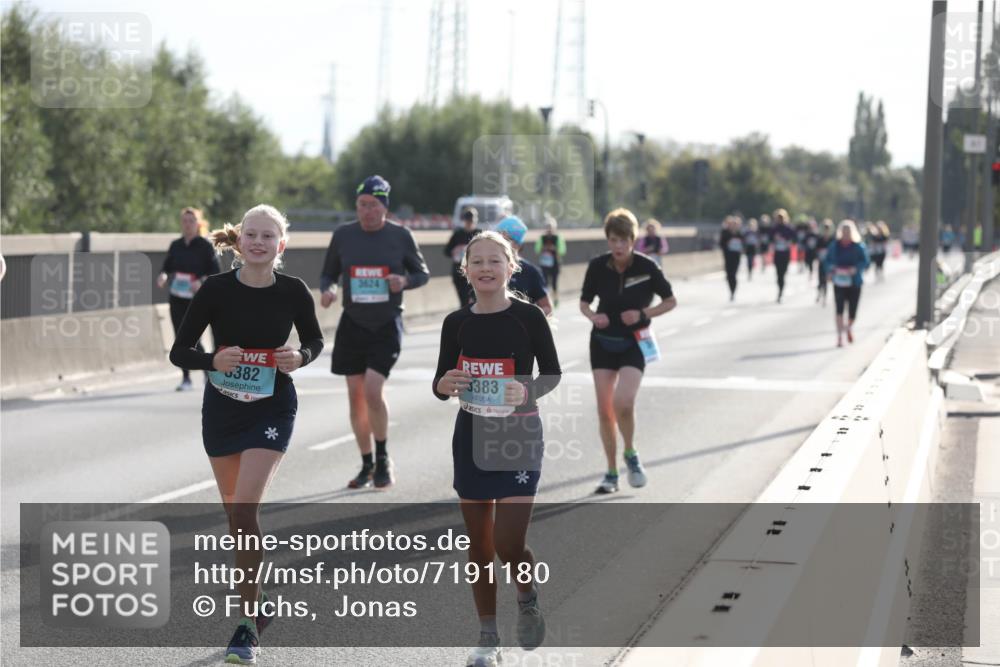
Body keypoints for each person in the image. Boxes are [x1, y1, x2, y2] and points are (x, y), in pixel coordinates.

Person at [169, 204, 324, 664]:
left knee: (244, 508)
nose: (258, 242)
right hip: (222, 409)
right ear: (239, 242)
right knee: (238, 525)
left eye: (268, 236)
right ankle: (258, 603)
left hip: (273, 406)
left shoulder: (294, 291)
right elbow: (180, 350)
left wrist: (301, 357)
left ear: (282, 244)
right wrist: (211, 361)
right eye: (251, 235)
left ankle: (245, 625)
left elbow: (315, 341)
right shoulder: (215, 289)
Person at [433, 231, 561, 667]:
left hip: (517, 437)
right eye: (477, 262)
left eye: (495, 261)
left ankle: (526, 594)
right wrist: (444, 384)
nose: (486, 268)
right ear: (465, 270)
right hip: (470, 436)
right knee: (479, 544)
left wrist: (524, 391)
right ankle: (488, 636)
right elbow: (440, 382)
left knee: (508, 543)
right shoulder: (456, 322)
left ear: (511, 267)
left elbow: (553, 374)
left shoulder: (528, 318)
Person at [320, 175, 430, 490]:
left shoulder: (400, 236)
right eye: (361, 205)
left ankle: (383, 457)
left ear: (384, 207)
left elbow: (422, 273)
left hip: (386, 322)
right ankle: (366, 462)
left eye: (373, 206)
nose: (366, 212)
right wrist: (328, 290)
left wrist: (404, 282)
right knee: (355, 398)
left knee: (372, 390)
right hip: (353, 322)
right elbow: (329, 272)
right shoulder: (343, 235)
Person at [580, 208, 677, 494]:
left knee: (624, 402)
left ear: (633, 239)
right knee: (604, 410)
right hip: (602, 342)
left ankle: (631, 453)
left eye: (624, 240)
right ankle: (611, 473)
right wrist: (593, 316)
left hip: (634, 342)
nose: (618, 246)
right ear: (607, 240)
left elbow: (670, 301)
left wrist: (643, 313)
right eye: (613, 240)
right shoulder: (597, 266)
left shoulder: (647, 267)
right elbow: (584, 303)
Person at [157, 207, 221, 391]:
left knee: (194, 338)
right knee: (180, 338)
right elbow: (166, 267)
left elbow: (215, 271)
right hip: (177, 296)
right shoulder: (176, 245)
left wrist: (200, 281)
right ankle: (186, 378)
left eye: (191, 221)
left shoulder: (205, 246)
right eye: (184, 221)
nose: (187, 224)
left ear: (198, 224)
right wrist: (162, 276)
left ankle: (207, 372)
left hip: (197, 298)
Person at [493, 215, 553, 316]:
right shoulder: (485, 268)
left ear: (518, 245)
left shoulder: (530, 272)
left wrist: (527, 320)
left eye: (505, 240)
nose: (499, 245)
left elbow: (547, 307)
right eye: (496, 240)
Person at [823, 220, 871, 347]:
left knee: (852, 311)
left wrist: (855, 268)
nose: (845, 234)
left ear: (852, 233)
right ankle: (839, 337)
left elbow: (866, 261)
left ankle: (848, 327)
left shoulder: (858, 246)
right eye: (843, 232)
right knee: (839, 309)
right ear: (840, 232)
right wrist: (830, 270)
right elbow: (827, 261)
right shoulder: (834, 246)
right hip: (839, 281)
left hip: (854, 282)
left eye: (848, 232)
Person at [445, 207, 480, 307]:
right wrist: (455, 251)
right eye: (468, 221)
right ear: (464, 221)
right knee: (463, 301)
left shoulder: (479, 234)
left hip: (475, 272)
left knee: (476, 299)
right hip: (459, 271)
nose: (470, 223)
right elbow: (446, 251)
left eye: (472, 221)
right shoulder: (457, 234)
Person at [533, 215, 567, 306]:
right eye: (547, 227)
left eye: (551, 227)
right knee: (545, 282)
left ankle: (556, 299)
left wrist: (554, 249)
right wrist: (543, 248)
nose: (549, 229)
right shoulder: (542, 238)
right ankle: (547, 300)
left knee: (555, 283)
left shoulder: (558, 238)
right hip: (544, 263)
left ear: (554, 228)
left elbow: (563, 250)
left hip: (555, 263)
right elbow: (536, 249)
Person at [771, 209, 796, 303]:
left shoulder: (788, 228)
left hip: (785, 253)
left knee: (783, 272)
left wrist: (788, 241)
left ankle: (781, 289)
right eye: (778, 218)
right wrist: (774, 239)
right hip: (777, 253)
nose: (780, 220)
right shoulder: (774, 228)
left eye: (781, 218)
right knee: (778, 274)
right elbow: (769, 238)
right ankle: (780, 291)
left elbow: (794, 239)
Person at [719, 215, 744, 301]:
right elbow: (721, 244)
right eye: (732, 224)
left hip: (736, 256)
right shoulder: (725, 233)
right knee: (729, 274)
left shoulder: (740, 234)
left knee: (733, 273)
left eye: (735, 224)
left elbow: (744, 245)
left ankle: (733, 291)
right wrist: (727, 243)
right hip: (728, 256)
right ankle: (731, 290)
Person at [815, 219, 835, 305]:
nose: (826, 230)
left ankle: (825, 297)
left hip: (829, 263)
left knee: (826, 279)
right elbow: (816, 249)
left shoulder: (833, 239)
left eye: (828, 228)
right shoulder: (819, 239)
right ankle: (819, 292)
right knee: (820, 278)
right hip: (821, 261)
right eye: (825, 228)